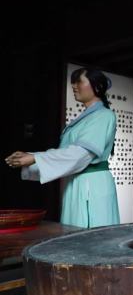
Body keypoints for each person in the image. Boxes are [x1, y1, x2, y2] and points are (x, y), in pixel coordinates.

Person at [4, 67, 120, 229]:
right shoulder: (86, 118)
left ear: (97, 86)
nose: (74, 86)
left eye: (79, 81)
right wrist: (30, 158)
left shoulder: (103, 116)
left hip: (91, 186)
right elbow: (68, 154)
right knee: (75, 236)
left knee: (90, 237)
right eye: (73, 82)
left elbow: (81, 154)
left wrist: (34, 158)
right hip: (78, 182)